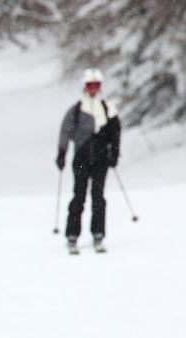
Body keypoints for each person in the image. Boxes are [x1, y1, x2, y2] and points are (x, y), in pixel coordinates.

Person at [56, 68, 121, 254]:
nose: (93, 88)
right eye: (89, 85)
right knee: (79, 196)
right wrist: (61, 154)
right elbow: (65, 133)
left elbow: (115, 134)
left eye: (96, 85)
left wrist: (114, 154)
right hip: (81, 158)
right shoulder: (76, 110)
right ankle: (72, 235)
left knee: (98, 197)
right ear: (84, 87)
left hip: (101, 158)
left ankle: (98, 233)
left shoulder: (108, 109)